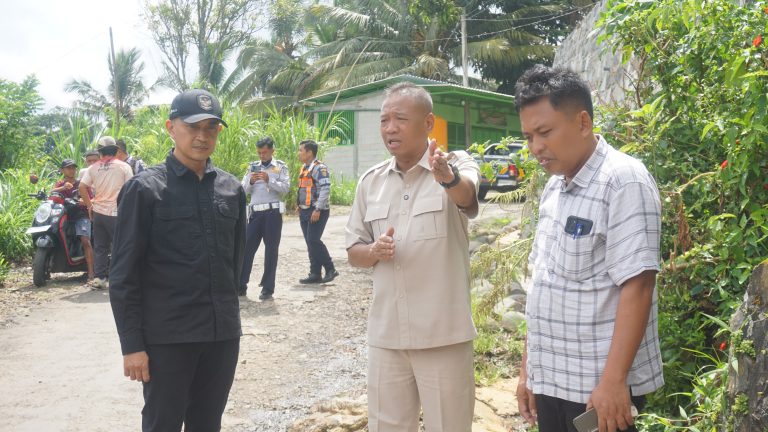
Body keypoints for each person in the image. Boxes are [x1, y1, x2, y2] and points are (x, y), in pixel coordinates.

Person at [513, 65, 664, 432]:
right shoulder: (555, 187)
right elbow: (543, 283)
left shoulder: (623, 180)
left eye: (545, 133)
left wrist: (613, 382)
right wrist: (528, 370)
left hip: (596, 392)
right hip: (552, 381)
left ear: (582, 122)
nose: (536, 147)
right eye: (529, 136)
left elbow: (638, 285)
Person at [345, 82, 481, 431]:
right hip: (387, 337)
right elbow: (354, 251)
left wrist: (446, 178)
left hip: (443, 337)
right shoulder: (370, 182)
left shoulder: (455, 164)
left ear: (428, 122)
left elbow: (467, 197)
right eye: (384, 120)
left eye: (400, 119)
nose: (390, 128)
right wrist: (373, 251)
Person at [109, 89, 246, 432]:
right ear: (171, 128)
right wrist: (132, 345)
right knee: (162, 424)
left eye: (211, 128)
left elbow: (235, 263)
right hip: (168, 339)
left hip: (221, 336)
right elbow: (123, 274)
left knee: (207, 424)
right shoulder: (145, 190)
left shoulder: (231, 189)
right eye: (193, 127)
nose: (202, 136)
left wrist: (229, 323)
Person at [78, 137, 133, 289]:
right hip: (116, 212)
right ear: (116, 150)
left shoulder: (93, 168)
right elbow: (131, 188)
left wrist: (90, 206)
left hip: (98, 213)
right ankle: (119, 278)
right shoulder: (124, 167)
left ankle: (99, 278)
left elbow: (82, 187)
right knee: (119, 246)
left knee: (100, 247)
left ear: (100, 152)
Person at [239, 136, 289, 300]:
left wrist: (269, 180)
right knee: (246, 249)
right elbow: (242, 190)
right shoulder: (252, 167)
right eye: (259, 153)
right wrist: (251, 182)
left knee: (271, 251)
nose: (262, 156)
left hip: (272, 214)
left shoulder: (280, 167)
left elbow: (285, 188)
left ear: (272, 151)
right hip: (255, 214)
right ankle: (241, 284)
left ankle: (267, 288)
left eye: (265, 152)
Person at [297, 139, 338, 284]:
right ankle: (315, 273)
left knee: (313, 240)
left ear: (309, 152)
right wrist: (299, 205)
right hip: (305, 210)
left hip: (317, 210)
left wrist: (318, 209)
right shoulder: (304, 168)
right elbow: (303, 189)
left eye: (301, 150)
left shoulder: (320, 168)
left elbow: (325, 189)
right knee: (310, 243)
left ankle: (330, 268)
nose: (299, 153)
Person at [53, 159, 94, 281]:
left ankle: (91, 273)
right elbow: (51, 194)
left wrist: (84, 201)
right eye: (68, 168)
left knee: (85, 241)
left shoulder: (81, 184)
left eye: (73, 168)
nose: (71, 170)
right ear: (62, 170)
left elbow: (92, 199)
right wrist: (62, 188)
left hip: (81, 215)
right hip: (63, 216)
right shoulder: (60, 184)